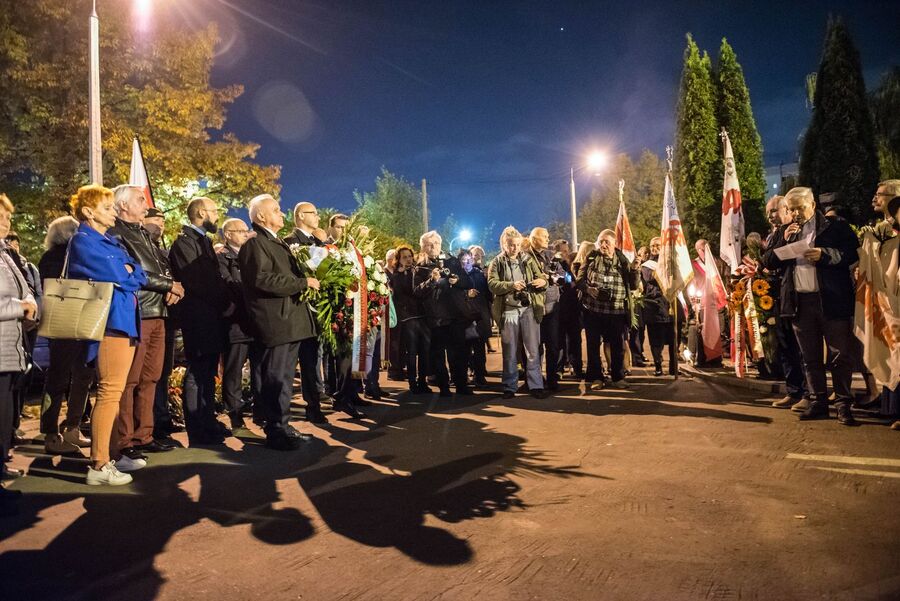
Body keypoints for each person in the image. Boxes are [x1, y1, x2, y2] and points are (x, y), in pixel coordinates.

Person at [67, 185, 148, 484]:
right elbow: (121, 275)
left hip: (123, 320)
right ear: (88, 212)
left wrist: (128, 272)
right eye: (106, 207)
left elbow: (137, 273)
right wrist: (127, 272)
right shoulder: (82, 240)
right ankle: (99, 465)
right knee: (109, 391)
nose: (113, 212)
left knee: (114, 391)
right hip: (109, 322)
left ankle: (110, 455)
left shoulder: (109, 240)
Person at [761, 187, 860, 425]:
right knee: (810, 356)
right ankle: (818, 401)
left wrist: (824, 254)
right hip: (800, 302)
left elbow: (852, 254)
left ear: (813, 205)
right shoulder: (786, 231)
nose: (796, 213)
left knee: (839, 354)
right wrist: (784, 241)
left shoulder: (835, 227)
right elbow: (767, 262)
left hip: (831, 300)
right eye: (792, 209)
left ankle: (843, 404)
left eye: (800, 208)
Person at [108, 186, 183, 462]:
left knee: (150, 377)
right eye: (140, 199)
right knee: (130, 380)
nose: (145, 203)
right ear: (123, 205)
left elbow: (161, 267)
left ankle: (145, 435)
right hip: (137, 311)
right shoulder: (116, 234)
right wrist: (168, 285)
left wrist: (172, 287)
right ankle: (125, 440)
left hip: (158, 311)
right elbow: (133, 272)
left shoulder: (143, 233)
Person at [239, 194, 322, 445]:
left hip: (289, 321)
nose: (282, 214)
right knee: (275, 378)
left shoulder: (275, 242)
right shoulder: (255, 244)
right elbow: (261, 279)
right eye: (276, 210)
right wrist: (302, 283)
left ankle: (283, 424)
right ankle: (276, 430)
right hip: (275, 321)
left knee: (284, 378)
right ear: (261, 216)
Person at [169, 197, 234, 445]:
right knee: (197, 371)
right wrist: (222, 296)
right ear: (201, 213)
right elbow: (196, 280)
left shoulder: (203, 241)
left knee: (208, 372)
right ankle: (197, 428)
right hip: (197, 316)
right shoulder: (184, 243)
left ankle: (208, 421)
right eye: (214, 211)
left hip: (211, 316)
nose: (217, 216)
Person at [38, 216, 95, 454]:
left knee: (60, 378)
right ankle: (67, 427)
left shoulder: (48, 257)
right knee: (77, 377)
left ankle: (54, 430)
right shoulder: (69, 256)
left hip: (61, 323)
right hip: (78, 320)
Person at [0, 193, 37, 483]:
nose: (5, 222)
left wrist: (30, 304)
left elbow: (25, 289)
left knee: (5, 414)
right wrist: (20, 307)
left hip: (11, 348)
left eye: (8, 217)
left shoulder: (5, 253)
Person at [488, 226, 547, 399]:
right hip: (509, 310)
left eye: (517, 244)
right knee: (510, 351)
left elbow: (542, 277)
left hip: (528, 308)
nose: (515, 248)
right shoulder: (497, 262)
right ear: (504, 244)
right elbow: (492, 284)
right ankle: (509, 386)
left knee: (533, 350)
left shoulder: (528, 259)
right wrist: (511, 285)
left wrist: (542, 282)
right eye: (511, 245)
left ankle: (536, 385)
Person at [761, 195, 808, 410]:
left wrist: (781, 251)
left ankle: (809, 392)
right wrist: (783, 242)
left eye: (774, 211)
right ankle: (793, 391)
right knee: (785, 345)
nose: (770, 216)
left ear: (787, 210)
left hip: (800, 294)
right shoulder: (779, 233)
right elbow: (767, 260)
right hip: (781, 297)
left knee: (802, 347)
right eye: (768, 212)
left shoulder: (801, 229)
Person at [577, 229, 638, 389]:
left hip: (616, 311)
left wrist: (634, 270)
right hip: (593, 311)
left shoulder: (623, 261)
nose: (603, 245)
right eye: (601, 241)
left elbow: (633, 285)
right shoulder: (591, 257)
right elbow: (579, 280)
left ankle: (618, 377)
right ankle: (596, 378)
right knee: (593, 346)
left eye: (607, 242)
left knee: (617, 346)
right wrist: (588, 289)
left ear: (614, 244)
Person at [416, 230, 475, 397]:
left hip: (455, 315)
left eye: (436, 243)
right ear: (423, 247)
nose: (433, 247)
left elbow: (468, 282)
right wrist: (431, 281)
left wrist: (457, 281)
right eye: (429, 244)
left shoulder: (452, 261)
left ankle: (461, 385)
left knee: (458, 354)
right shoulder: (420, 267)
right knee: (438, 356)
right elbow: (417, 292)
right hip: (436, 318)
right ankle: (444, 387)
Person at [218, 217, 260, 429]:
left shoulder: (251, 254)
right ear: (228, 234)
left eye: (246, 230)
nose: (246, 234)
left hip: (256, 320)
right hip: (235, 321)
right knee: (234, 369)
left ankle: (261, 410)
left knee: (260, 368)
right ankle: (235, 413)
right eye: (241, 231)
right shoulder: (222, 257)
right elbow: (229, 285)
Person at [390, 244, 431, 394]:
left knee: (425, 350)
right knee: (412, 351)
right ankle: (413, 382)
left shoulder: (417, 271)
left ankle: (423, 381)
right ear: (398, 260)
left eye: (410, 256)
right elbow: (402, 294)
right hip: (408, 317)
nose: (408, 259)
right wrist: (404, 274)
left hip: (422, 315)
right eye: (404, 257)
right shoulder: (397, 276)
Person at [527, 227, 564, 391]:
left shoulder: (551, 256)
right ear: (534, 239)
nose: (548, 239)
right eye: (544, 236)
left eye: (548, 236)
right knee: (534, 347)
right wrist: (549, 278)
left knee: (553, 344)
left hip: (552, 307)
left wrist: (548, 278)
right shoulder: (525, 256)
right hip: (533, 307)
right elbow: (528, 279)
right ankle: (535, 380)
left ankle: (552, 379)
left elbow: (562, 277)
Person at [642, 237, 678, 377]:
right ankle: (658, 366)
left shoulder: (670, 262)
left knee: (674, 338)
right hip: (654, 306)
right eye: (652, 246)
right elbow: (651, 278)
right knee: (656, 340)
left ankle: (673, 367)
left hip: (670, 305)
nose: (654, 248)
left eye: (657, 245)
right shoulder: (647, 265)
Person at [460, 248, 491, 386]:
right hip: (463, 317)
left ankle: (480, 374)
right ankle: (465, 374)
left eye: (468, 260)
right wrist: (466, 294)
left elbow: (488, 295)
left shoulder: (479, 275)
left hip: (479, 316)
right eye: (463, 261)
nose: (466, 263)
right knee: (464, 349)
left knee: (479, 348)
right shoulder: (456, 276)